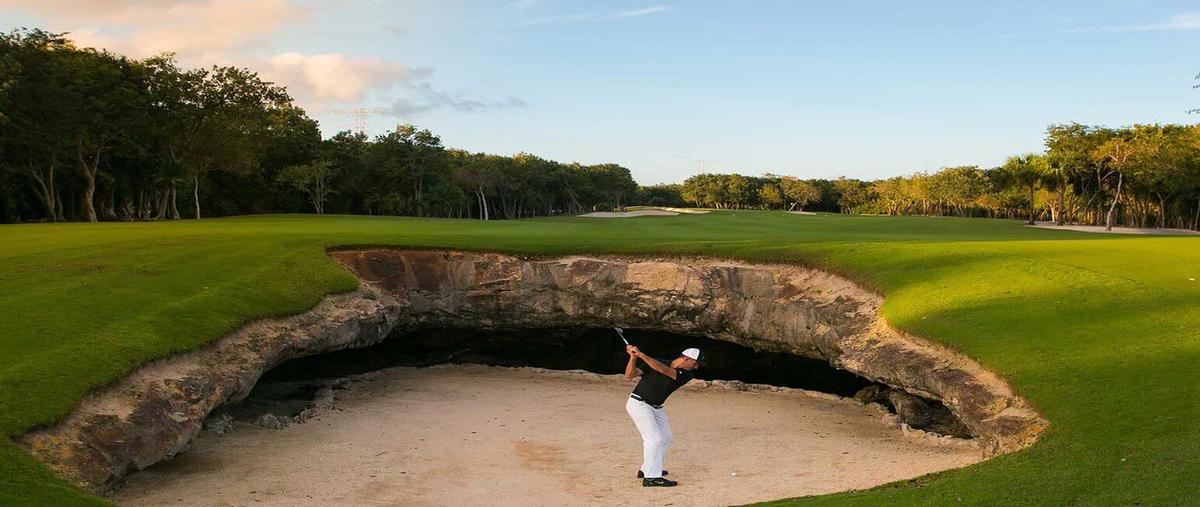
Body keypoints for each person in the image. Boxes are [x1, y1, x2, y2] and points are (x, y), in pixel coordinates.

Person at [623, 344, 701, 487]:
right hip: (639, 404)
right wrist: (633, 358)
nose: (697, 367)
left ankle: (647, 468)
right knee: (654, 439)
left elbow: (663, 370)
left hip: (657, 407)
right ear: (686, 359)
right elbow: (629, 375)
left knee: (666, 438)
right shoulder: (656, 362)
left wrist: (641, 355)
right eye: (695, 363)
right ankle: (651, 478)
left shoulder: (687, 374)